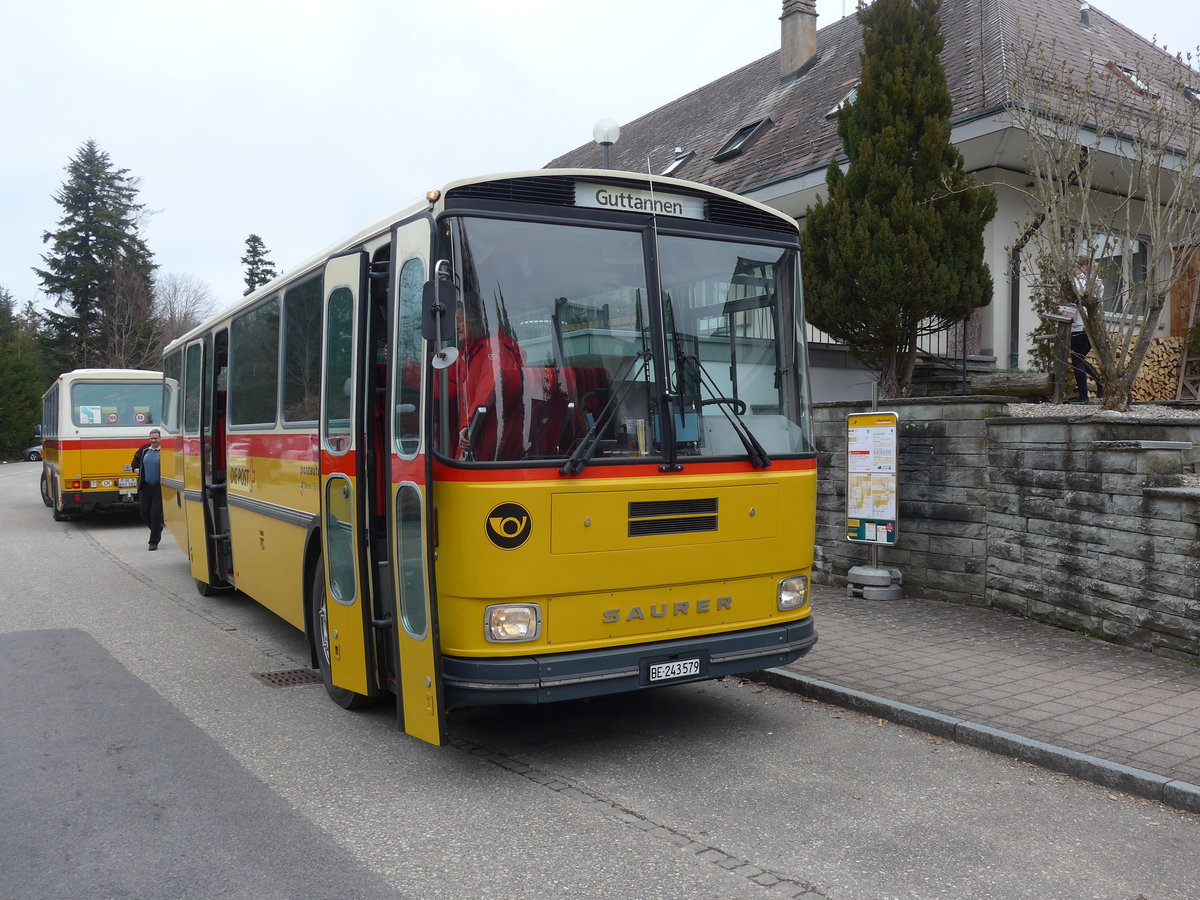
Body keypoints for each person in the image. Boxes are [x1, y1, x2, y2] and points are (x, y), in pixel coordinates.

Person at [453, 296, 525, 461]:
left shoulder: (494, 348)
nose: (456, 326)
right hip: (476, 440)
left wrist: (469, 424)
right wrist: (410, 370)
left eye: (459, 320)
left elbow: (490, 385)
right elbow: (445, 386)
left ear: (476, 321)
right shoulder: (467, 354)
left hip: (487, 443)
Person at [1068, 261, 1103, 403]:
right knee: (1080, 358)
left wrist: (1066, 314)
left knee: (1077, 360)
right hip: (1091, 326)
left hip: (1079, 327)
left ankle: (1083, 396)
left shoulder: (1079, 282)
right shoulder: (1097, 283)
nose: (1073, 271)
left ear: (1082, 267)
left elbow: (1074, 303)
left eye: (1074, 268)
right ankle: (1100, 383)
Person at [131, 428, 164, 550]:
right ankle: (157, 528)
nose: (153, 440)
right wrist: (136, 469)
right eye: (151, 438)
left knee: (155, 514)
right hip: (145, 487)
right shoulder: (144, 450)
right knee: (144, 513)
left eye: (155, 438)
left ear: (160, 438)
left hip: (159, 487)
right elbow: (134, 462)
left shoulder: (165, 451)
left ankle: (153, 542)